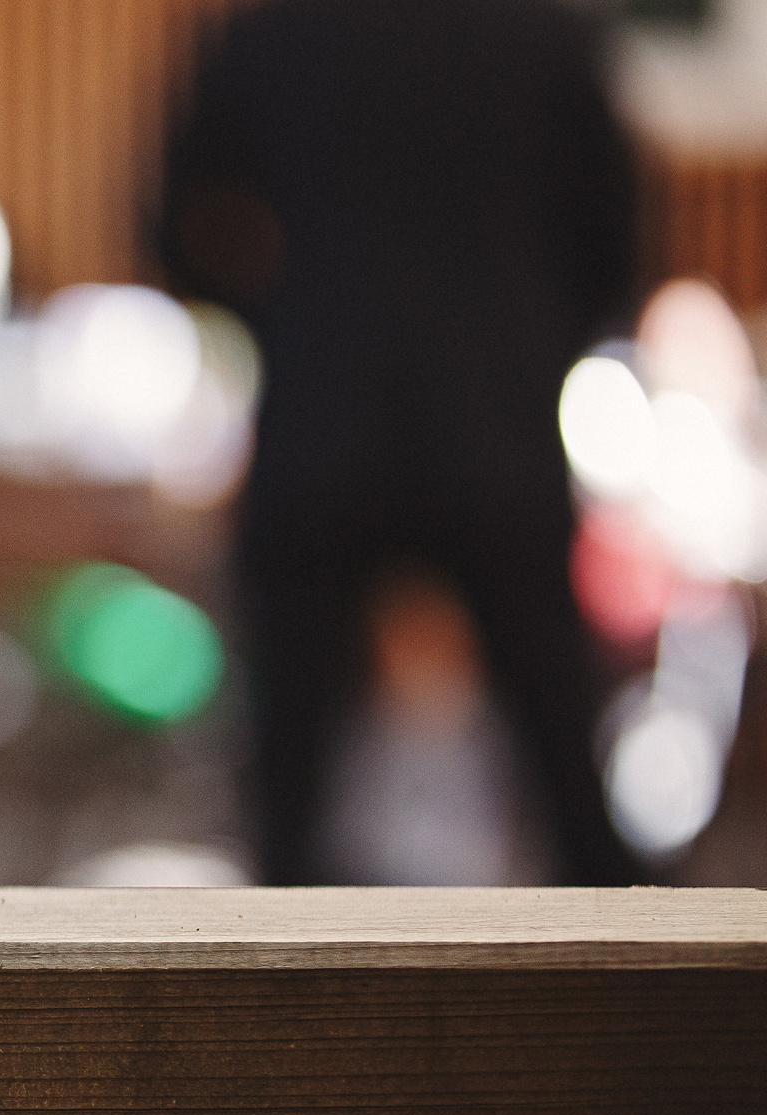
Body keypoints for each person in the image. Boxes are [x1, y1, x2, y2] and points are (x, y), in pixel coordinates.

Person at [160, 0, 646, 884]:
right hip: (499, 438)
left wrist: (285, 322)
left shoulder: (273, 29)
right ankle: (636, 971)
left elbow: (171, 226)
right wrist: (530, 349)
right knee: (575, 804)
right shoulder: (546, 30)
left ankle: (281, 974)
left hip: (322, 430)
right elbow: (616, 245)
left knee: (287, 817)